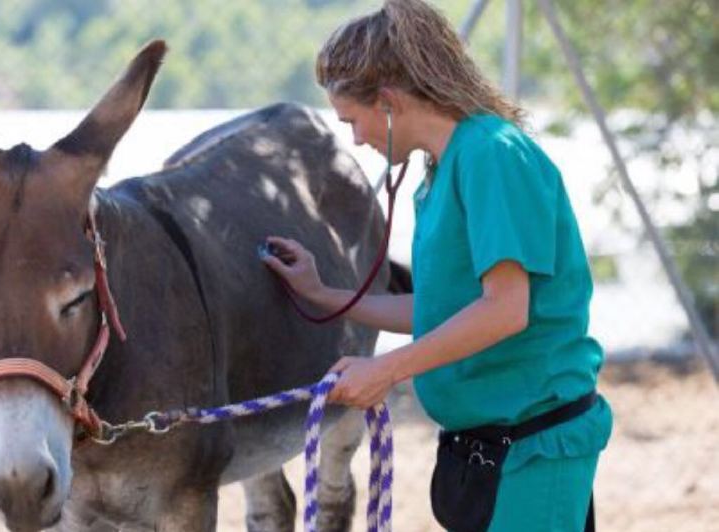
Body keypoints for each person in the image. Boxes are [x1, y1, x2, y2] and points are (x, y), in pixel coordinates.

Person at [261, 1, 613, 530]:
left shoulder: (492, 155)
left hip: (530, 449)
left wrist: (386, 370)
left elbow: (505, 311)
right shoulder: (444, 168)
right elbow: (446, 309)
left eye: (352, 121)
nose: (356, 139)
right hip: (486, 450)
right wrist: (326, 296)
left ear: (387, 102)